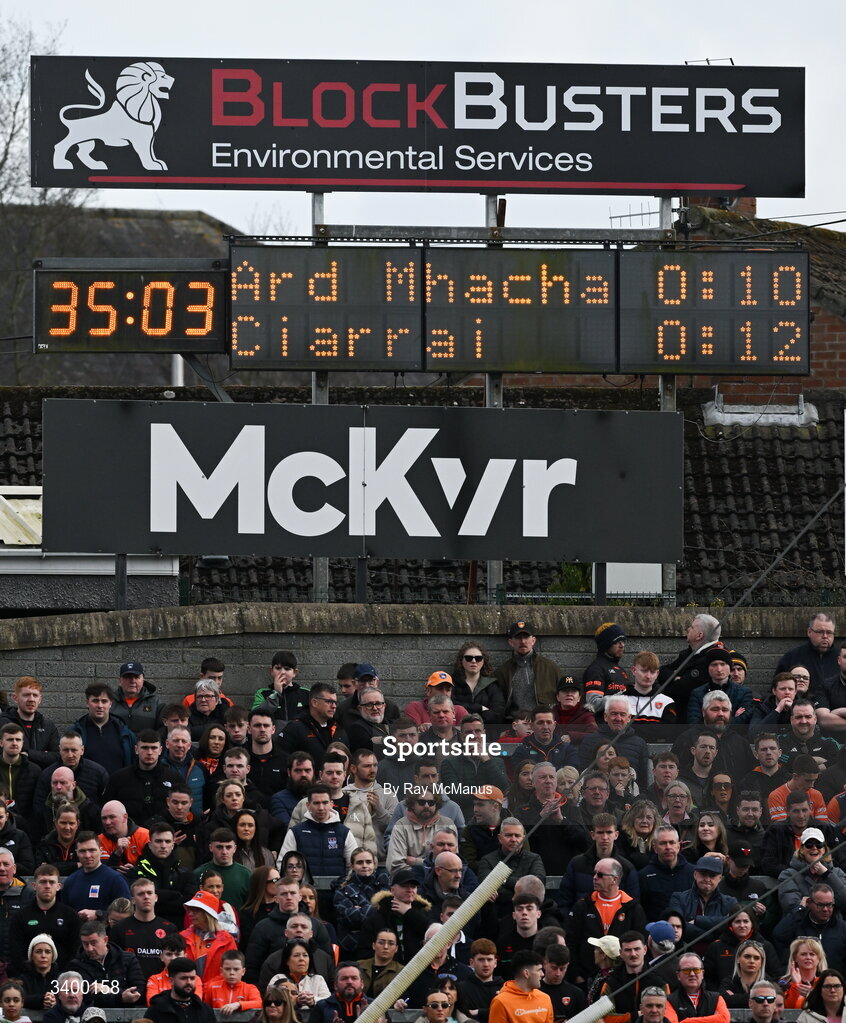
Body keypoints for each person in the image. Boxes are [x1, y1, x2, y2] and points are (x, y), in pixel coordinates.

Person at [564, 858, 647, 984]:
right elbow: (570, 941)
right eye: (595, 873)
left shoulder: (632, 908)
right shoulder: (583, 905)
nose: (595, 877)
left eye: (600, 875)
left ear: (614, 879)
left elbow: (640, 941)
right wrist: (576, 975)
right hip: (586, 977)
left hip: (622, 978)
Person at [357, 866, 431, 962]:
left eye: (413, 886)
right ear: (392, 890)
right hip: (387, 972)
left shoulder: (423, 912)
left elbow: (431, 932)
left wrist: (409, 913)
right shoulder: (379, 914)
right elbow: (364, 951)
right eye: (404, 886)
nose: (410, 890)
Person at [278, 784, 357, 873]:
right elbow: (283, 863)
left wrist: (344, 885)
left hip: (337, 886)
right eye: (316, 803)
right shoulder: (296, 832)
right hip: (304, 886)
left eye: (325, 802)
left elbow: (354, 865)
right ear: (308, 805)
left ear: (331, 804)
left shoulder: (344, 832)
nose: (321, 808)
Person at [109, 876, 178, 979]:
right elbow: (113, 963)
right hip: (131, 987)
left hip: (161, 989)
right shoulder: (120, 929)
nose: (146, 897)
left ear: (156, 898)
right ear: (133, 900)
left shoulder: (170, 928)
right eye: (141, 894)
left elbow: (175, 962)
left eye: (149, 893)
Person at [659, 614, 723, 721]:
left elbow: (681, 690)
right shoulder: (687, 654)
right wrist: (675, 678)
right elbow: (662, 671)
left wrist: (674, 678)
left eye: (692, 627)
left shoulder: (712, 659)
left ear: (699, 635)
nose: (688, 629)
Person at [67, 919, 145, 1007]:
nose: (89, 948)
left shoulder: (128, 959)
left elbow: (139, 990)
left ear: (105, 940)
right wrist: (121, 997)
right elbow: (87, 997)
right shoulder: (76, 965)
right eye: (85, 944)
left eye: (93, 943)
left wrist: (110, 990)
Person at [578, 696, 651, 788]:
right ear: (605, 716)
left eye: (622, 714)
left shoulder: (639, 744)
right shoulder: (590, 741)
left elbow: (643, 780)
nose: (618, 718)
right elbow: (583, 775)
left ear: (629, 718)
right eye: (614, 713)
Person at [772, 887, 846, 974]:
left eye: (829, 905)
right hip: (802, 981)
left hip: (834, 983)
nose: (825, 909)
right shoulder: (797, 924)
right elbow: (779, 934)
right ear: (809, 903)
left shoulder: (842, 927)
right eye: (820, 905)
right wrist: (800, 910)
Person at [667, 855, 739, 945]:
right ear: (695, 874)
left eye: (712, 875)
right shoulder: (678, 898)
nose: (707, 879)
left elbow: (731, 924)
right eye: (703, 874)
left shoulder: (730, 902)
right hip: (685, 953)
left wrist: (698, 921)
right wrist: (711, 936)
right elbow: (678, 925)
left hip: (719, 954)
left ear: (720, 878)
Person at [62, 831, 131, 919]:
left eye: (92, 850)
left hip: (106, 932)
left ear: (100, 851)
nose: (87, 855)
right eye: (82, 851)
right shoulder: (70, 882)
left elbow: (126, 914)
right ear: (77, 853)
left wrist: (98, 914)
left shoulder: (115, 879)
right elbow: (64, 914)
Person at [496, 622, 560, 716]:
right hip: (515, 724)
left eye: (526, 637)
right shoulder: (502, 672)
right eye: (518, 638)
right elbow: (498, 705)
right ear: (511, 642)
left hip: (544, 722)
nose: (523, 641)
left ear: (533, 640)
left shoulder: (551, 668)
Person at [777, 827, 846, 912]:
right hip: (802, 923)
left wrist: (827, 874)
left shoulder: (838, 873)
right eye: (809, 844)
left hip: (833, 923)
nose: (814, 848)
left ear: (824, 849)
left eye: (819, 844)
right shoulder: (787, 875)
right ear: (802, 849)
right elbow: (791, 907)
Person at [70, 685, 135, 775]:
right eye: (95, 701)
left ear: (110, 704)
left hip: (118, 786)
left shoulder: (125, 733)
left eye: (104, 701)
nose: (100, 706)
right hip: (87, 786)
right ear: (87, 703)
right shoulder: (75, 732)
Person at [279, 683, 348, 768]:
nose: (333, 706)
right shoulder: (295, 728)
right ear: (314, 702)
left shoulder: (339, 730)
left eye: (335, 702)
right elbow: (282, 759)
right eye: (329, 701)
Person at [704, 910, 779, 987]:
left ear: (752, 923)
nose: (742, 925)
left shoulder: (766, 946)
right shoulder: (716, 947)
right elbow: (708, 978)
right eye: (737, 922)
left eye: (746, 921)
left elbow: (775, 976)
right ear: (730, 924)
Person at [0, 677, 59, 768]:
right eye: (26, 695)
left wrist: (29, 754)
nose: (31, 699)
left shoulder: (48, 726)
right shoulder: (3, 723)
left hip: (40, 779)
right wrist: (42, 755)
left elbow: (57, 757)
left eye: (35, 695)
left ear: (40, 699)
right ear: (15, 698)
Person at [180, 890, 237, 982]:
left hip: (216, 994)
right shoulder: (182, 937)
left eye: (196, 910)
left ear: (208, 914)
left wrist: (210, 989)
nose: (190, 914)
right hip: (188, 993)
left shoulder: (227, 940)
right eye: (190, 910)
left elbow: (232, 971)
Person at [687, 647, 754, 724]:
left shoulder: (744, 692)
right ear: (708, 668)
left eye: (723, 664)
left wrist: (708, 719)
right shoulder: (697, 693)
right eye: (714, 665)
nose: (719, 669)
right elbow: (693, 722)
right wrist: (732, 718)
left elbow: (744, 721)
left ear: (729, 667)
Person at [775, 613, 838, 692]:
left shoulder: (841, 658)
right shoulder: (792, 657)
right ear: (809, 632)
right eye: (820, 632)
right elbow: (776, 690)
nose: (825, 636)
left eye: (829, 632)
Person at [193, 827, 252, 909]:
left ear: (234, 848)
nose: (224, 852)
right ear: (211, 848)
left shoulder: (246, 874)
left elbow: (250, 906)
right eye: (219, 847)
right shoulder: (197, 874)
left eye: (228, 847)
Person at [624, 650, 677, 740]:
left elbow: (668, 731)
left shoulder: (667, 702)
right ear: (633, 670)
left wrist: (632, 726)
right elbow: (617, 728)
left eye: (652, 672)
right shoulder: (620, 700)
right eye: (644, 671)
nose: (648, 676)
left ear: (657, 674)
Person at [146, 956, 216, 1023]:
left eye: (192, 978)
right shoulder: (156, 1010)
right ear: (171, 981)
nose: (189, 982)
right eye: (183, 978)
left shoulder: (205, 1010)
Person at [488, 950, 551, 1023]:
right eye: (539, 970)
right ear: (526, 973)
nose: (542, 974)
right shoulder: (501, 1002)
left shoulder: (545, 999)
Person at [451, 642, 506, 724]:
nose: (473, 661)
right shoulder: (452, 683)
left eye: (478, 658)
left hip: (486, 731)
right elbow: (451, 708)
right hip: (458, 731)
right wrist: (480, 708)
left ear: (483, 661)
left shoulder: (492, 685)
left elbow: (498, 714)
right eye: (468, 658)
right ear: (461, 661)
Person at [668, 952, 730, 1023]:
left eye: (696, 970)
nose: (692, 974)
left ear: (702, 974)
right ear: (678, 975)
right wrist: (713, 1020)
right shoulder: (669, 1000)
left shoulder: (716, 998)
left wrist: (687, 1021)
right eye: (686, 970)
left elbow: (724, 1019)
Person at [274, 939, 331, 1012]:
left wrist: (313, 1000)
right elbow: (271, 1002)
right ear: (287, 961)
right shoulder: (278, 978)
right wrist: (296, 1001)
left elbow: (328, 1003)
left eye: (305, 955)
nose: (301, 959)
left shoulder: (318, 979)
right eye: (296, 955)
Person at [252, 651, 309, 722]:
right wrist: (276, 694)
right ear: (271, 671)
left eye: (287, 669)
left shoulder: (306, 693)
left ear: (294, 672)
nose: (282, 672)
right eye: (278, 668)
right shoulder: (262, 693)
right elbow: (254, 717)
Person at [110, 661, 166, 733]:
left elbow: (163, 729)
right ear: (120, 681)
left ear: (143, 680)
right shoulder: (109, 702)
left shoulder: (156, 703)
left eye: (136, 677)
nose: (132, 681)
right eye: (127, 677)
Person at [201, 948, 262, 1014]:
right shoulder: (212, 987)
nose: (231, 973)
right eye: (227, 969)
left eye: (236, 969)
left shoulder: (250, 989)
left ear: (243, 971)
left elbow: (259, 1003)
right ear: (221, 971)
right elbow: (205, 1010)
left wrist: (238, 1004)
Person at [458, 938, 503, 1023]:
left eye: (489, 959)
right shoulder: (461, 989)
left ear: (495, 963)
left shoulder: (504, 988)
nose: (486, 964)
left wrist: (479, 1012)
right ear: (472, 963)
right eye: (481, 960)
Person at [540, 943, 585, 1022]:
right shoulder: (533, 991)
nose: (558, 974)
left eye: (562, 969)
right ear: (544, 964)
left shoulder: (576, 994)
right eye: (554, 968)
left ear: (567, 966)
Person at [780, 937, 827, 1009]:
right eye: (803, 954)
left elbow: (830, 1009)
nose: (808, 957)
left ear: (819, 959)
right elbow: (787, 1011)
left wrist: (813, 995)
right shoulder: (783, 982)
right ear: (795, 958)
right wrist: (796, 986)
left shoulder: (826, 982)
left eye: (812, 954)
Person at [723, 940, 771, 1009]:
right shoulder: (728, 982)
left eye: (756, 958)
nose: (752, 961)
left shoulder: (769, 982)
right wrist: (757, 997)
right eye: (747, 956)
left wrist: (735, 998)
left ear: (761, 962)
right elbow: (724, 1001)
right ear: (738, 959)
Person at [18, 934, 60, 1011]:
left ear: (53, 956)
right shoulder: (22, 979)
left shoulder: (61, 979)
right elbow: (20, 1000)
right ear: (31, 956)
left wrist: (55, 1001)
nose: (43, 955)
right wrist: (42, 1000)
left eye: (47, 952)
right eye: (38, 951)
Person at [551, 676, 597, 745]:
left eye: (573, 691)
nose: (569, 694)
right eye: (565, 691)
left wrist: (572, 737)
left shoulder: (586, 715)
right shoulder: (549, 715)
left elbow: (595, 736)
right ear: (558, 697)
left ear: (579, 698)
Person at [357, 928, 402, 997]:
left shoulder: (402, 971)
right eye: (381, 943)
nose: (386, 947)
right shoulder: (358, 966)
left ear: (396, 948)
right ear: (374, 945)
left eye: (391, 943)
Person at [618, 800, 661, 870]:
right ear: (632, 820)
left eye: (649, 817)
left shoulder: (660, 839)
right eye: (640, 817)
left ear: (654, 821)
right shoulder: (621, 837)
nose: (644, 821)